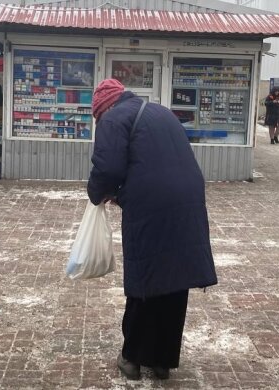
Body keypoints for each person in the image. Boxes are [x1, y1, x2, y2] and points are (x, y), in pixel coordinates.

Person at [87, 79, 218, 381]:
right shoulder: (160, 112)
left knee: (146, 276)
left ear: (102, 108)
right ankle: (162, 361)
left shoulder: (112, 118)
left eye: (97, 117)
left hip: (152, 206)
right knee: (175, 277)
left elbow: (108, 168)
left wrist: (96, 194)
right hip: (188, 201)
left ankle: (132, 357)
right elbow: (152, 162)